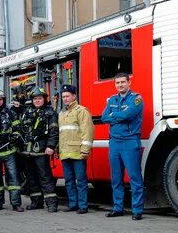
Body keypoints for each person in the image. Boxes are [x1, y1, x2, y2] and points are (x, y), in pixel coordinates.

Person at [101, 72, 145, 220]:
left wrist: (114, 116)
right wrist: (118, 115)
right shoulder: (112, 100)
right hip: (114, 143)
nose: (120, 85)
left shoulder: (136, 99)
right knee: (116, 178)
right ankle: (118, 208)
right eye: (117, 83)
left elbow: (129, 114)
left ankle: (137, 210)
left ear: (129, 83)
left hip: (130, 141)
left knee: (134, 178)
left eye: (122, 82)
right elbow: (104, 117)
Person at [18, 86, 60, 212]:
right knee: (31, 178)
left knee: (45, 177)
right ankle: (36, 202)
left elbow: (54, 131)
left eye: (40, 98)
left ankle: (52, 204)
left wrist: (51, 146)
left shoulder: (50, 113)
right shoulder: (26, 112)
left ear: (44, 99)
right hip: (27, 151)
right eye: (35, 99)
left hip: (41, 150)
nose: (37, 101)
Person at [0, 89, 24, 212]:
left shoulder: (10, 112)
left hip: (9, 151)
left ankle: (16, 203)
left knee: (13, 177)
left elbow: (17, 126)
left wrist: (15, 136)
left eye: (1, 99)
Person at [57, 85, 93, 214]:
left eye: (67, 96)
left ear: (74, 96)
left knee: (81, 181)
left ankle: (83, 206)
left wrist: (85, 149)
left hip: (78, 152)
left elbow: (87, 131)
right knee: (69, 181)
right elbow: (60, 134)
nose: (65, 99)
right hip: (65, 152)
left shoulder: (82, 111)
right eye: (63, 97)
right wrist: (58, 150)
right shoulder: (61, 113)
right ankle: (73, 204)